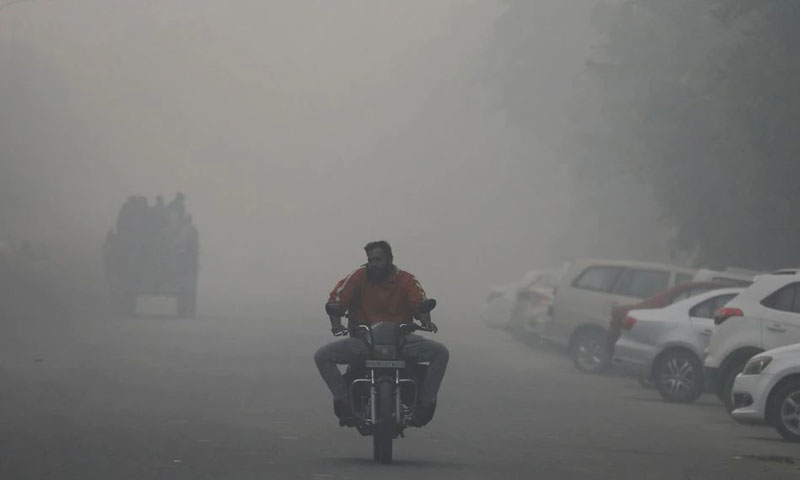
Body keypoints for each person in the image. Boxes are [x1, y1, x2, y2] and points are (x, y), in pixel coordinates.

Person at [314, 241, 449, 427]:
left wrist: (425, 320)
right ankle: (344, 402)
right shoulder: (358, 277)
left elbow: (419, 302)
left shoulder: (406, 279)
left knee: (440, 352)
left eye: (378, 260)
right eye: (370, 260)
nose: (373, 264)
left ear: (389, 260)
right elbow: (337, 299)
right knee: (322, 356)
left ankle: (426, 404)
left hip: (401, 340)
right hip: (364, 340)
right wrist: (336, 323)